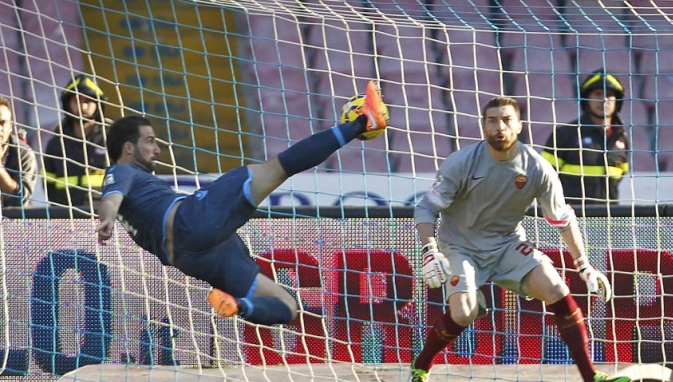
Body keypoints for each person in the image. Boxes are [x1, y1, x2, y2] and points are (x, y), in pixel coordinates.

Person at [97, 81, 388, 324]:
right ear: (127, 147)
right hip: (192, 221)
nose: (157, 149)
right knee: (275, 169)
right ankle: (363, 121)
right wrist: (106, 217)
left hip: (194, 257)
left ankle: (237, 306)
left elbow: (116, 200)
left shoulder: (133, 182)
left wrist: (112, 216)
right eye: (149, 141)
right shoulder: (122, 170)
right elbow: (111, 197)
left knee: (287, 306)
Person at [407, 96, 630, 382]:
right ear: (483, 125)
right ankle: (421, 367)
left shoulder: (537, 168)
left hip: (507, 244)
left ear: (520, 125)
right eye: (492, 120)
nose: (500, 127)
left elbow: (563, 219)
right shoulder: (461, 163)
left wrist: (583, 265)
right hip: (460, 247)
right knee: (464, 312)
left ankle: (592, 379)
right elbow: (426, 209)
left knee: (557, 289)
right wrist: (430, 250)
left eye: (507, 120)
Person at [541, 70, 630, 206]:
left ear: (617, 102)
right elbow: (543, 177)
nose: (604, 100)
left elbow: (620, 175)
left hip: (611, 220)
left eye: (609, 95)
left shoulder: (622, 139)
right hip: (571, 221)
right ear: (586, 100)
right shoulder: (564, 134)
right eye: (598, 94)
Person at [44, 75, 109, 207]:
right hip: (65, 215)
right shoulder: (56, 144)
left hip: (103, 215)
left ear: (98, 104)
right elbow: (48, 183)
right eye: (77, 100)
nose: (83, 106)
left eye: (89, 100)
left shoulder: (111, 138)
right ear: (68, 104)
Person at [0, 95, 38, 207]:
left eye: (2, 123)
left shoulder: (24, 153)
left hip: (15, 221)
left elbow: (20, 199)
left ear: (11, 127)